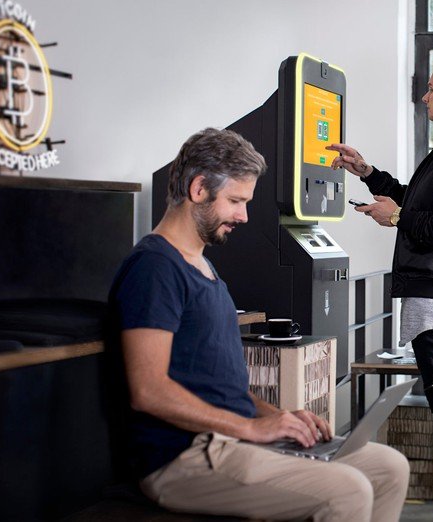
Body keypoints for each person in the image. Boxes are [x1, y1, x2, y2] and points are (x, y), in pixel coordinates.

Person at [108, 128, 409, 522]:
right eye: (235, 201)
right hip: (185, 458)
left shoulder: (204, 267)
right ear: (199, 189)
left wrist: (277, 417)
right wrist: (251, 430)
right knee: (347, 491)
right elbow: (148, 391)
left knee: (388, 467)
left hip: (231, 439)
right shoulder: (154, 268)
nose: (243, 216)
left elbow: (223, 392)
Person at [326, 54, 433, 522]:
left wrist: (398, 218)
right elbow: (422, 200)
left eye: (431, 89)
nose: (425, 96)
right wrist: (367, 172)